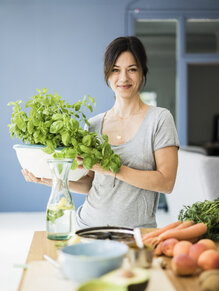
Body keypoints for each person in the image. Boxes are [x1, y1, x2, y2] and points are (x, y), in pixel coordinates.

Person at [23, 36, 179, 230]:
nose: (123, 78)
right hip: (88, 227)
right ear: (107, 75)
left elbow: (166, 182)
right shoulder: (94, 125)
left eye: (132, 69)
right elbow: (90, 184)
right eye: (115, 70)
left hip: (137, 233)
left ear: (142, 72)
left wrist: (109, 168)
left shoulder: (160, 119)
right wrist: (49, 180)